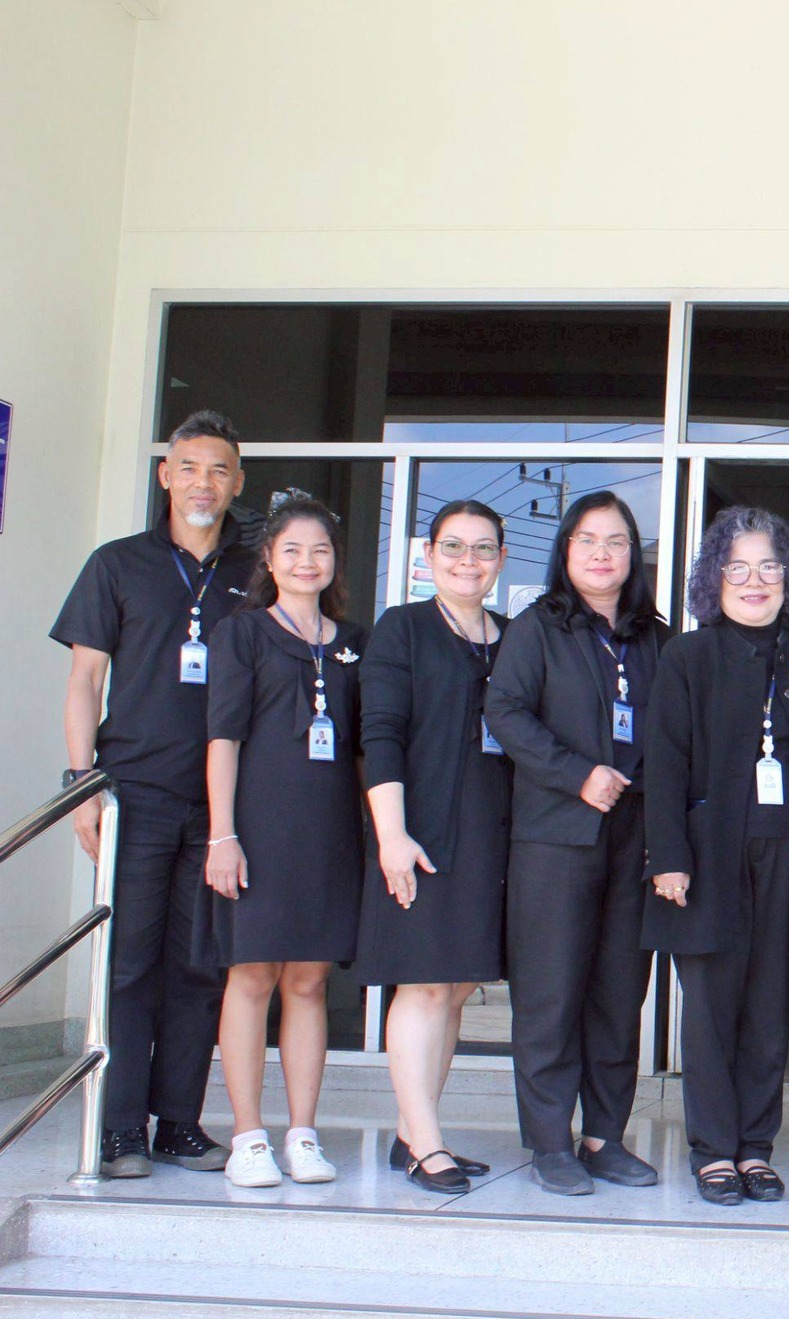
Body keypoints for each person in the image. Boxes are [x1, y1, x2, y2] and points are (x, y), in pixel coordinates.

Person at [51, 410, 255, 1179]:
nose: (204, 483)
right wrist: (81, 785)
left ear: (237, 482)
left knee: (200, 965)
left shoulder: (255, 570)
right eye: (190, 467)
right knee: (130, 964)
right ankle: (119, 1130)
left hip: (223, 803)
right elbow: (85, 679)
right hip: (134, 791)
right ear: (165, 475)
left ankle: (178, 1123)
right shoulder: (118, 564)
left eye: (219, 470)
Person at [645, 507, 789, 1206]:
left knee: (770, 1011)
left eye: (769, 565)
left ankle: (756, 1148)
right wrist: (667, 856)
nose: (755, 579)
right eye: (737, 567)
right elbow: (665, 764)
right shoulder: (687, 656)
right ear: (714, 578)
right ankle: (713, 1151)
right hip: (707, 860)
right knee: (711, 1011)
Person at [486, 491, 673, 1197]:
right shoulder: (537, 627)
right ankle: (548, 1141)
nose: (602, 553)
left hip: (635, 838)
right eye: (588, 540)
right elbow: (505, 711)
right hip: (555, 837)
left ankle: (604, 1137)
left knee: (619, 994)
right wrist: (577, 774)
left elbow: (676, 735)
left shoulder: (655, 638)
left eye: (617, 541)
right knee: (551, 993)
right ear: (565, 550)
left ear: (633, 554)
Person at [199, 497, 367, 1187]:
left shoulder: (354, 641)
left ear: (334, 561)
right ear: (269, 559)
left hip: (330, 834)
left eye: (320, 550)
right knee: (252, 975)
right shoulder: (242, 633)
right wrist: (223, 835)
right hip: (258, 831)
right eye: (292, 549)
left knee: (308, 980)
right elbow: (223, 739)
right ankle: (247, 1137)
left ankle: (302, 1133)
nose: (307, 562)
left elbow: (368, 747)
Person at [355, 499, 512, 1194]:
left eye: (482, 549)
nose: (467, 561)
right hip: (419, 830)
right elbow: (380, 733)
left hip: (490, 831)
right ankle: (426, 1144)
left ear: (501, 559)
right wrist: (391, 833)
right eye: (453, 547)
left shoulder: (513, 636)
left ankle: (412, 1132)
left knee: (454, 986)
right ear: (427, 556)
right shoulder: (404, 628)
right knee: (421, 980)